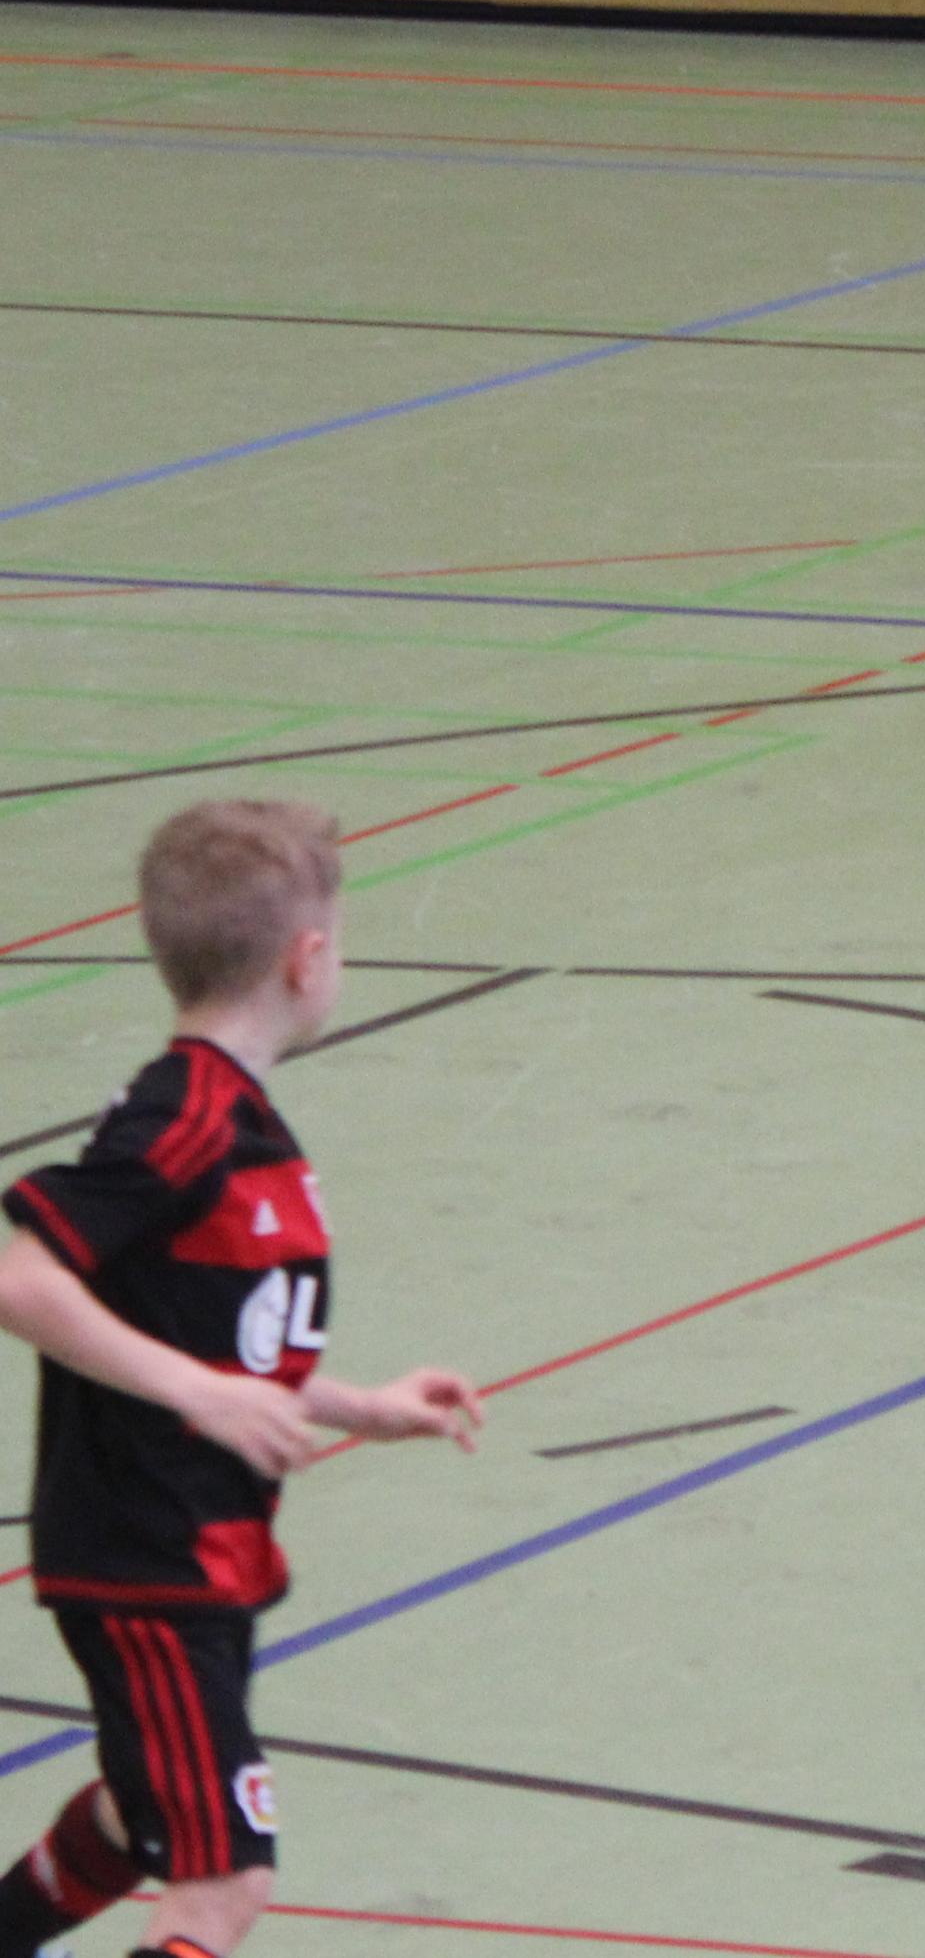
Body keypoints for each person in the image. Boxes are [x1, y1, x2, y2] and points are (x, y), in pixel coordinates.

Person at [0, 802, 484, 1958]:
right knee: (223, 1884)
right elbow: (23, 1280)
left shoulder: (237, 1120)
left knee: (141, 1817)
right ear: (307, 961)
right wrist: (200, 1395)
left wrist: (359, 1405)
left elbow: (210, 1335)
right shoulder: (184, 1118)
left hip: (204, 1553)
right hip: (149, 1554)